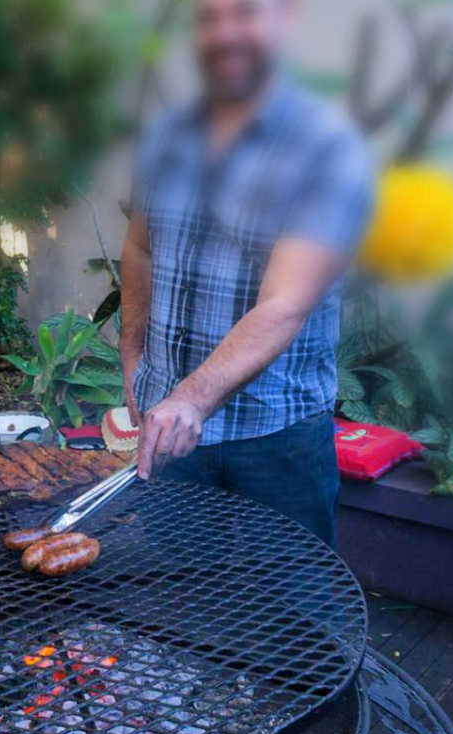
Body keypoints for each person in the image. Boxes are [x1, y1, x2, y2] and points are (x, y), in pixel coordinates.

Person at [121, 0, 375, 548]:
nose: (225, 32)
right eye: (210, 17)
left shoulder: (327, 148)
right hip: (170, 432)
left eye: (244, 13)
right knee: (176, 608)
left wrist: (189, 400)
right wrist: (132, 353)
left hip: (277, 436)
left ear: (287, 19)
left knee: (296, 618)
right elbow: (140, 246)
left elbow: (285, 302)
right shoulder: (166, 138)